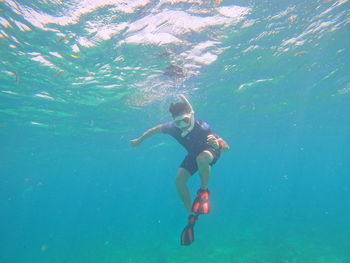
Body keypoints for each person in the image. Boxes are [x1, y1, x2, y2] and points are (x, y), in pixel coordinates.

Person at [130, 94, 229, 245]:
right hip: (193, 154)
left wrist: (218, 145)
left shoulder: (203, 127)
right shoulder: (171, 128)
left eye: (185, 120)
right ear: (174, 121)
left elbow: (227, 147)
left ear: (191, 116)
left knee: (201, 159)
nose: (182, 125)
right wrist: (139, 140)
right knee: (178, 181)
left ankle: (203, 191)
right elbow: (153, 130)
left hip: (210, 151)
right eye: (178, 122)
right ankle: (191, 213)